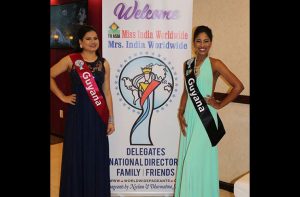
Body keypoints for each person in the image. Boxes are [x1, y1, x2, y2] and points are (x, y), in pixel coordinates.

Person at [174, 25, 244, 196]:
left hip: (205, 119)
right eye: (198, 41)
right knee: (188, 159)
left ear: (211, 43)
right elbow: (186, 91)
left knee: (194, 161)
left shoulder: (216, 64)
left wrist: (219, 104)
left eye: (206, 41)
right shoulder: (188, 64)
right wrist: (181, 111)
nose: (202, 45)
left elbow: (238, 86)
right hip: (191, 116)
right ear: (193, 43)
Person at [50, 25, 115, 197]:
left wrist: (111, 119)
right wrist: (63, 97)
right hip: (77, 116)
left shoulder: (104, 63)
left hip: (97, 117)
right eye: (88, 38)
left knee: (96, 155)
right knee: (76, 155)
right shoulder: (71, 60)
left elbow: (107, 92)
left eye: (95, 38)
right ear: (80, 42)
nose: (93, 42)